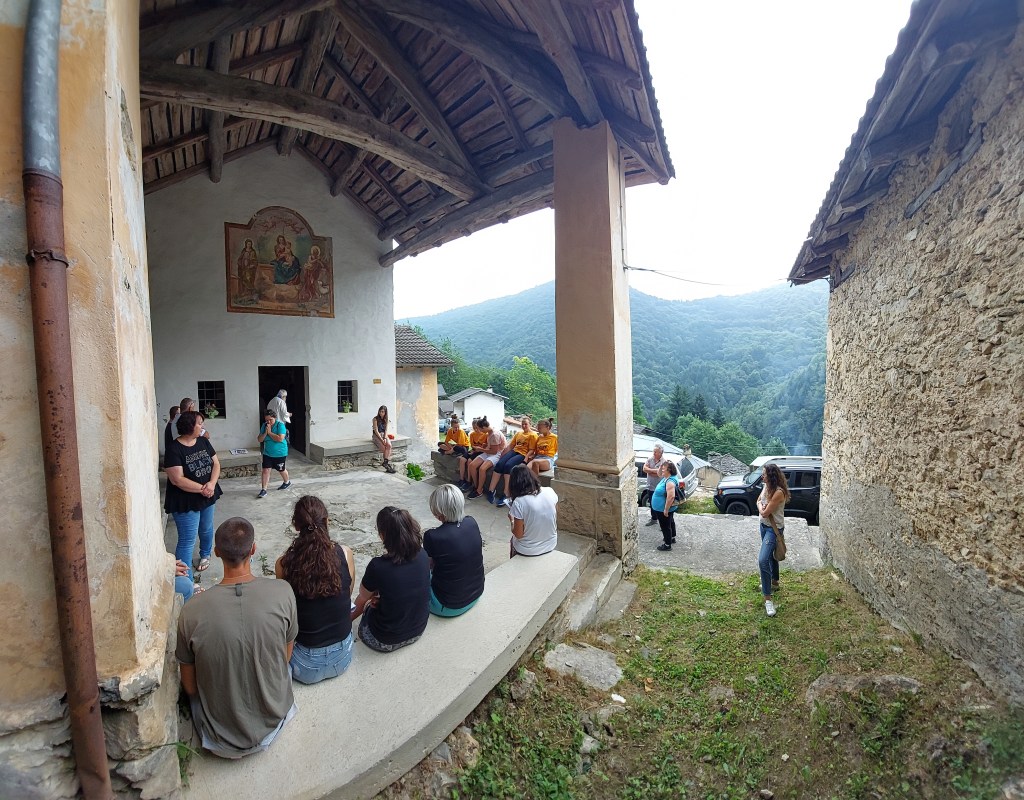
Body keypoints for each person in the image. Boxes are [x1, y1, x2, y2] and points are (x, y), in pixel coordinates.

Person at [176, 517, 298, 759]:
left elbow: (190, 687)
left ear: (216, 552)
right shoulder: (283, 592)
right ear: (253, 549)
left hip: (218, 738)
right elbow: (284, 658)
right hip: (274, 723)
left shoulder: (191, 611)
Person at [276, 496, 356, 684]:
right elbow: (348, 592)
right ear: (327, 521)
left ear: (296, 526)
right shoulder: (345, 553)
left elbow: (287, 610)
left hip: (304, 666)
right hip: (343, 657)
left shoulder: (283, 564)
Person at [351, 507, 430, 652]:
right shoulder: (423, 554)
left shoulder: (377, 566)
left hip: (383, 640)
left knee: (369, 602)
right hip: (418, 631)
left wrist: (344, 622)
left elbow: (362, 598)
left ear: (382, 535)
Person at [164, 410, 222, 573]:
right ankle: (186, 580)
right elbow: (177, 479)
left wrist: (211, 484)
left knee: (206, 528)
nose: (202, 427)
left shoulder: (203, 442)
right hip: (185, 501)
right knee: (187, 540)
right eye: (200, 424)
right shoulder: (174, 449)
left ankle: (205, 554)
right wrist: (203, 489)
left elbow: (216, 464)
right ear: (190, 426)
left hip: (207, 494)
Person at [423, 485, 484, 617]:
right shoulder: (472, 522)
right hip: (476, 594)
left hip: (448, 606)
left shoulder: (432, 536)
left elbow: (426, 567)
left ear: (439, 512)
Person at [757, 463, 790, 618]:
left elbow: (765, 513)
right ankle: (775, 581)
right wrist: (761, 505)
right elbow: (758, 501)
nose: (762, 476)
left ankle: (768, 599)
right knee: (770, 556)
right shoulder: (766, 487)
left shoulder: (778, 492)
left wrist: (761, 507)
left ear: (770, 476)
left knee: (763, 560)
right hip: (764, 527)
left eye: (764, 474)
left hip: (773, 529)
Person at [506, 464, 558, 558]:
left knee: (512, 540)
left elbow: (518, 534)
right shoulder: (550, 491)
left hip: (528, 549)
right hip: (551, 543)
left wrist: (512, 520)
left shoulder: (519, 502)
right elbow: (554, 515)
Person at [487, 416, 537, 506]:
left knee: (508, 466)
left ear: (530, 424)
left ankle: (506, 493)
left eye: (526, 424)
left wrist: (525, 459)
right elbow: (511, 445)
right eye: (522, 424)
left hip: (523, 454)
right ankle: (491, 490)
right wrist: (503, 454)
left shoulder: (533, 435)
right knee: (499, 464)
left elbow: (531, 450)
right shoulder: (519, 433)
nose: (524, 426)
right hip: (515, 451)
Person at [467, 417, 506, 499]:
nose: (480, 431)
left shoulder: (495, 435)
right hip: (488, 451)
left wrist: (480, 449)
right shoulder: (489, 432)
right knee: (472, 465)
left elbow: (494, 451)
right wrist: (485, 446)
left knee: (482, 469)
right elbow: (490, 446)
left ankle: (479, 490)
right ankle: (476, 485)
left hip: (496, 454)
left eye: (480, 429)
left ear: (484, 427)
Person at [257, 408, 291, 498]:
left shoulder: (280, 425)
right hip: (267, 452)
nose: (268, 422)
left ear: (275, 418)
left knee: (281, 469)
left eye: (270, 420)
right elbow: (259, 439)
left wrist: (270, 433)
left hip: (280, 453)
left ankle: (287, 482)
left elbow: (280, 438)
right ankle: (264, 489)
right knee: (266, 470)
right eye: (267, 420)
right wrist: (265, 432)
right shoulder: (264, 426)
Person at [650, 460, 681, 551]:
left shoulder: (670, 481)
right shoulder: (667, 477)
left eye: (664, 469)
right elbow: (659, 474)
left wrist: (666, 510)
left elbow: (671, 497)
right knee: (670, 521)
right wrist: (661, 466)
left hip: (663, 508)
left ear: (669, 470)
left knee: (665, 526)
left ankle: (667, 545)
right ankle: (672, 537)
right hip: (664, 508)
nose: (662, 470)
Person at [456, 419, 488, 490]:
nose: (476, 430)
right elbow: (472, 445)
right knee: (462, 459)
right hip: (474, 450)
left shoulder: (485, 435)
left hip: (480, 451)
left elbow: (484, 447)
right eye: (474, 428)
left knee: (469, 461)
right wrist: (474, 450)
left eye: (477, 428)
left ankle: (469, 481)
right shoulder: (472, 434)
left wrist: (477, 449)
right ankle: (462, 479)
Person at [642, 445, 667, 526]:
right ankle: (654, 519)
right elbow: (644, 469)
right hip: (650, 486)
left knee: (660, 504)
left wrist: (650, 471)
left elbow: (661, 474)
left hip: (659, 488)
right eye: (654, 451)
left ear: (660, 453)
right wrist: (655, 471)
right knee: (652, 504)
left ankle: (662, 521)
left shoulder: (664, 462)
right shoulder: (650, 459)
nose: (654, 453)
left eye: (655, 452)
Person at [372, 405, 396, 473]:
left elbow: (386, 430)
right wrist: (382, 440)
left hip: (383, 435)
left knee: (389, 445)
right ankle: (387, 465)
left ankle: (385, 463)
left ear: (385, 412)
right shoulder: (375, 419)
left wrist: (385, 438)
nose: (381, 413)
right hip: (376, 435)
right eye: (380, 411)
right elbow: (376, 431)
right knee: (384, 449)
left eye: (383, 412)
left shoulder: (386, 419)